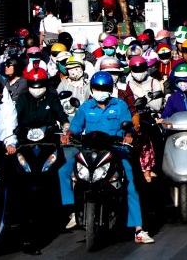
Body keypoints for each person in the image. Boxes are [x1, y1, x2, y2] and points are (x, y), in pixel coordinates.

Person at [65, 71, 154, 243]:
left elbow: (127, 126)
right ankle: (75, 213)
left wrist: (128, 135)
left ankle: (138, 230)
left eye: (104, 88)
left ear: (110, 89)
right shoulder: (85, 107)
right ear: (92, 89)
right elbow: (75, 127)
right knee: (74, 176)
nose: (101, 91)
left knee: (130, 185)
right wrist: (68, 134)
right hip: (91, 152)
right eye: (97, 88)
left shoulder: (119, 105)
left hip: (116, 151)